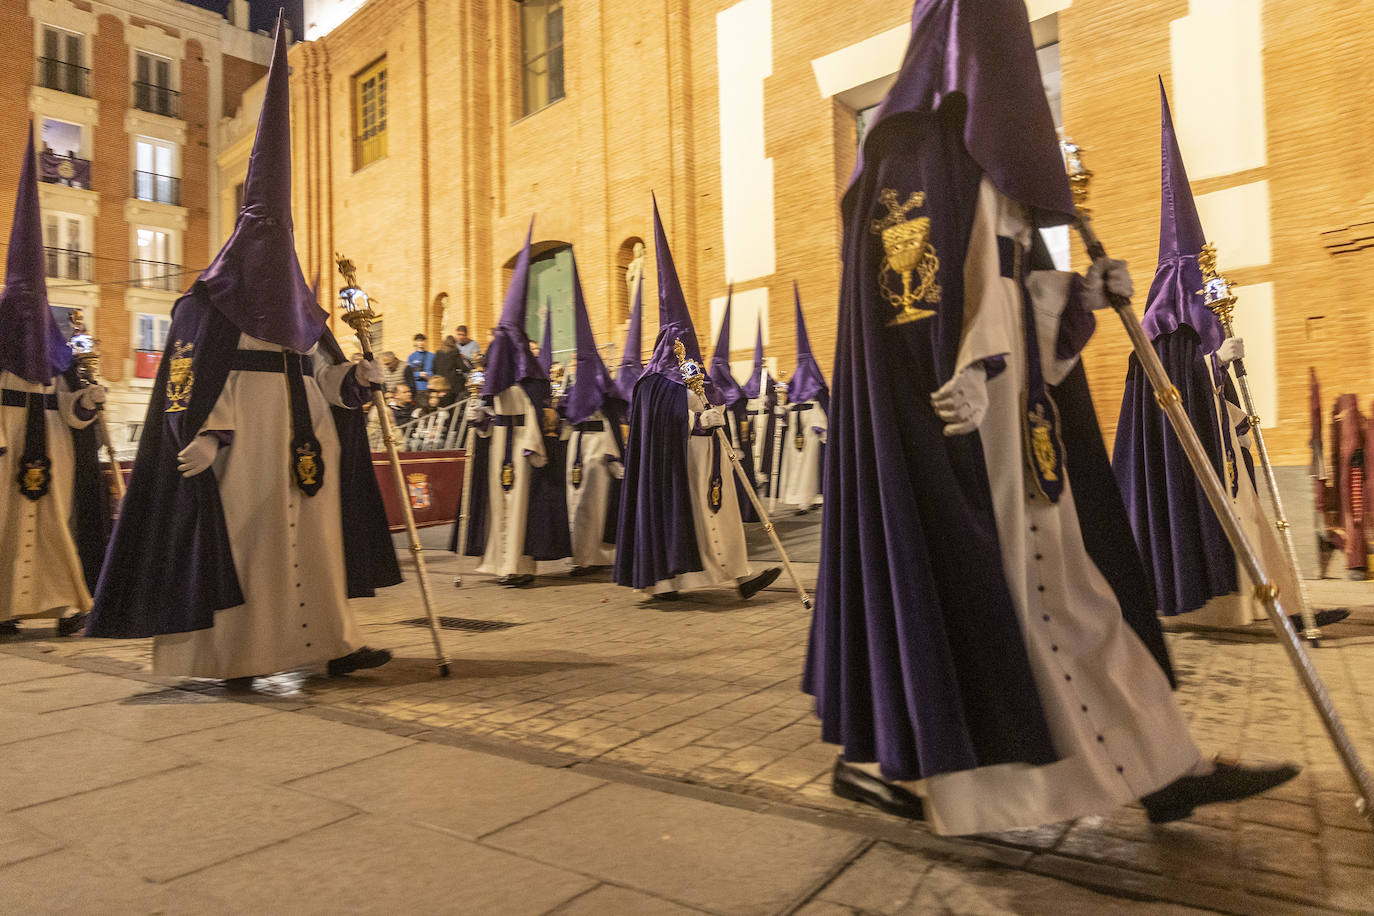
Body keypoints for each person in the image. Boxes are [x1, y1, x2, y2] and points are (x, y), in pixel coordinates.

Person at [802, 0, 1296, 836]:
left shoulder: (990, 162)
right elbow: (914, 301)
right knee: (1030, 597)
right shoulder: (914, 148)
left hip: (1020, 410)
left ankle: (1160, 765)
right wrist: (965, 367)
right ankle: (957, 777)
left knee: (1074, 590)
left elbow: (1013, 285)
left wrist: (1078, 298)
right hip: (962, 428)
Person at [85, 14, 400, 688]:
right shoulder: (204, 304)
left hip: (307, 435)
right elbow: (186, 381)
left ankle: (333, 644)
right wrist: (200, 433)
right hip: (241, 443)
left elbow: (324, 372)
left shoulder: (303, 306)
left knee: (317, 543)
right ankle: (236, 658)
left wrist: (356, 377)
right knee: (249, 542)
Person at [1114, 83, 1307, 629]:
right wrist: (1222, 358)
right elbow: (1202, 378)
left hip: (1217, 435)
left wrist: (1227, 361)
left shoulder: (1156, 327)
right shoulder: (1173, 320)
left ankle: (1239, 598)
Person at [614, 199, 780, 603]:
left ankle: (739, 577)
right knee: (694, 519)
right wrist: (696, 422)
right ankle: (675, 581)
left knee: (719, 520)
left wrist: (712, 408)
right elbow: (662, 427)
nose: (690, 349)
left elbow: (710, 403)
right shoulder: (652, 383)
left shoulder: (689, 375)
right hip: (683, 463)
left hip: (709, 458)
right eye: (684, 341)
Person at [0, 125, 107, 638]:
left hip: (52, 439)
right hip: (6, 437)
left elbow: (71, 406)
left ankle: (66, 604)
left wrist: (88, 400)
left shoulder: (56, 339)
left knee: (55, 521)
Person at [449, 222, 571, 587]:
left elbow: (534, 412)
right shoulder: (496, 379)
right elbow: (487, 414)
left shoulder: (530, 378)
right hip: (500, 441)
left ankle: (519, 565)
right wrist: (479, 418)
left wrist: (533, 442)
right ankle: (499, 561)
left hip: (521, 444)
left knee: (521, 506)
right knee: (499, 502)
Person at [563, 250, 628, 572]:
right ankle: (579, 555)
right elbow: (567, 416)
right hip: (577, 444)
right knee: (576, 502)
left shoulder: (601, 383)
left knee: (595, 504)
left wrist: (614, 454)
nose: (576, 364)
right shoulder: (571, 386)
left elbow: (610, 418)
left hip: (598, 447)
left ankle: (594, 556)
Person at [707, 289, 759, 522]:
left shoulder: (734, 394)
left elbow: (740, 424)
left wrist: (738, 445)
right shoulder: (715, 392)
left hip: (733, 446)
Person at [776, 285, 828, 512]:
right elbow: (788, 407)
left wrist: (819, 427)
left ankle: (810, 498)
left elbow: (818, 406)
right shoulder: (796, 381)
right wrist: (782, 409)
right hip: (796, 433)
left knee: (809, 468)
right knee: (796, 467)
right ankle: (799, 497)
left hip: (809, 430)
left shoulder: (814, 387)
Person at [741, 315, 780, 491]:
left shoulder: (769, 380)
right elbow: (742, 397)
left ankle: (763, 474)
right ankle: (754, 474)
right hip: (752, 420)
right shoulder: (750, 381)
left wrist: (768, 400)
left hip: (765, 419)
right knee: (753, 447)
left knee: (764, 448)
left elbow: (776, 398)